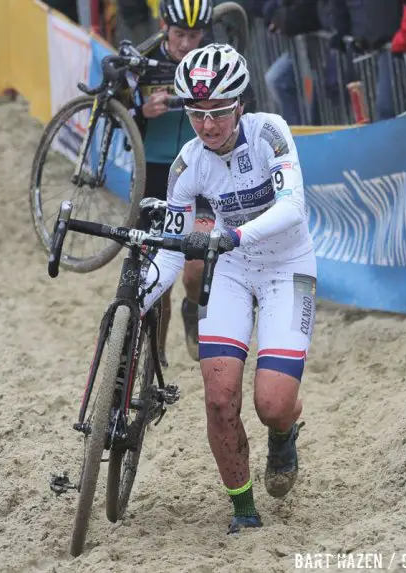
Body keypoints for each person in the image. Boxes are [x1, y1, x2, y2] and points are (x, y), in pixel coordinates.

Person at [141, 43, 317, 534]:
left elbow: (292, 207)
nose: (208, 125)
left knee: (272, 405)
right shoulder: (186, 162)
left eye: (218, 112)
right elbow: (174, 251)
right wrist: (140, 298)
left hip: (288, 267)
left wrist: (232, 234)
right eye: (197, 113)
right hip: (235, 270)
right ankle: (243, 509)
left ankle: (283, 434)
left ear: (239, 105)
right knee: (220, 399)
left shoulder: (270, 133)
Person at [132, 0, 217, 366]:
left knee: (195, 268)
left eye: (194, 35)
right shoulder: (142, 61)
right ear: (164, 26)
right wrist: (140, 112)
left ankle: (192, 306)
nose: (185, 43)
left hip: (202, 173)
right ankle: (157, 357)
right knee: (155, 276)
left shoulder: (215, 61)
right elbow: (114, 119)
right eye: (179, 34)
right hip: (155, 173)